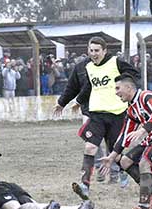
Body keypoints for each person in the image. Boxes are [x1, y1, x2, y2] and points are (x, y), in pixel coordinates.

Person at [53, 36, 139, 195]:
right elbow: (87, 88)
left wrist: (128, 89)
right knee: (90, 146)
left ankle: (122, 172)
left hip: (117, 114)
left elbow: (134, 74)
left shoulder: (116, 62)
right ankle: (85, 184)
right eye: (91, 50)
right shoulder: (88, 67)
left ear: (104, 51)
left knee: (115, 151)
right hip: (96, 114)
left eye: (97, 50)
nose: (94, 54)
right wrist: (70, 102)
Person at [99, 75, 152, 209]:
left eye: (118, 88)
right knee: (124, 160)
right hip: (151, 138)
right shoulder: (131, 109)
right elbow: (125, 134)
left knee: (144, 163)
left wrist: (143, 130)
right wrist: (111, 157)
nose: (116, 92)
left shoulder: (146, 96)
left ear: (129, 87)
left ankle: (144, 207)